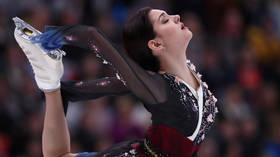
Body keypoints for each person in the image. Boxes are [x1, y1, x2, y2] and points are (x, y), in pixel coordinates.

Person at [14, 7, 218, 157]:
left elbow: (117, 84)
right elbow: (92, 36)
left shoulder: (181, 74)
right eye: (166, 21)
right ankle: (49, 81)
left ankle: (51, 81)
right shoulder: (162, 88)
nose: (177, 17)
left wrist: (69, 91)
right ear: (155, 44)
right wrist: (51, 38)